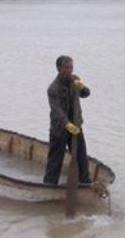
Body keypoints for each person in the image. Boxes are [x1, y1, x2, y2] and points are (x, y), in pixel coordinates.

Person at [43, 55, 92, 184]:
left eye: (71, 67)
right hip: (59, 128)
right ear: (58, 69)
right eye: (66, 68)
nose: (69, 70)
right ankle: (49, 184)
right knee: (55, 160)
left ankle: (85, 183)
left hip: (76, 126)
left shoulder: (75, 80)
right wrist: (67, 124)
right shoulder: (53, 88)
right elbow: (57, 111)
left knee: (81, 157)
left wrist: (81, 87)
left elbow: (86, 94)